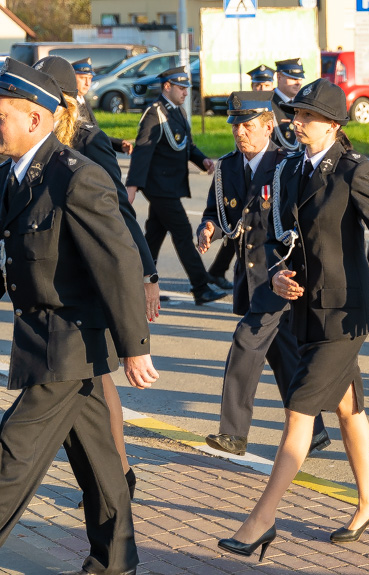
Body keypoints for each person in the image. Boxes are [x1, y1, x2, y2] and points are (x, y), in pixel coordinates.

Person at [216, 79, 369, 558]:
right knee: (348, 408)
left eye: (306, 117)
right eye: (296, 115)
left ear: (331, 124)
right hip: (307, 310)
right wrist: (279, 273)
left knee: (299, 413)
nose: (296, 123)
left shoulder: (353, 169)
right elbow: (274, 234)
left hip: (345, 314)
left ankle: (260, 522)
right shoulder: (288, 168)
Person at [0, 57, 159, 575]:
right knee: (97, 459)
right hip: (43, 336)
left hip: (68, 342)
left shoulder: (76, 178)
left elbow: (119, 261)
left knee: (11, 455)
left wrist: (135, 346)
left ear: (36, 119)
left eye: (1, 115)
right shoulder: (12, 175)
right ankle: (117, 560)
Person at [35, 55, 159, 507]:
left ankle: (118, 475)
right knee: (91, 386)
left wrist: (148, 274)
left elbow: (122, 214)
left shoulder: (88, 140)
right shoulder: (36, 144)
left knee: (98, 382)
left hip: (93, 278)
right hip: (58, 278)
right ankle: (113, 481)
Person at [197, 91, 329, 457]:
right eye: (236, 126)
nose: (240, 133)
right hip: (251, 275)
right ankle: (314, 428)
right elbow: (217, 212)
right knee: (283, 354)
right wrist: (208, 228)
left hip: (280, 273)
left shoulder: (287, 165)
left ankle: (233, 433)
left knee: (247, 340)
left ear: (269, 126)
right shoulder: (227, 168)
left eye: (248, 126)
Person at [126, 66, 226, 305]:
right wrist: (132, 186)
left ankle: (137, 283)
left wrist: (202, 160)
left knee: (154, 236)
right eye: (181, 88)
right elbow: (142, 151)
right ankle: (201, 287)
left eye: (186, 89)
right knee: (182, 234)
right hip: (159, 187)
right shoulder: (154, 113)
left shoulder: (177, 112)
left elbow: (187, 145)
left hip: (169, 186)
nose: (185, 93)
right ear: (167, 87)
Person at [71, 57, 134, 154]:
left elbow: (94, 133)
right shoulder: (70, 105)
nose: (88, 83)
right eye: (83, 78)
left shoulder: (84, 101)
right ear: (71, 78)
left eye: (90, 78)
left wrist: (118, 144)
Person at [271, 58, 304, 151]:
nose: (298, 83)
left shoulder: (303, 103)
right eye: (293, 78)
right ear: (279, 77)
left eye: (300, 78)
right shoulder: (268, 103)